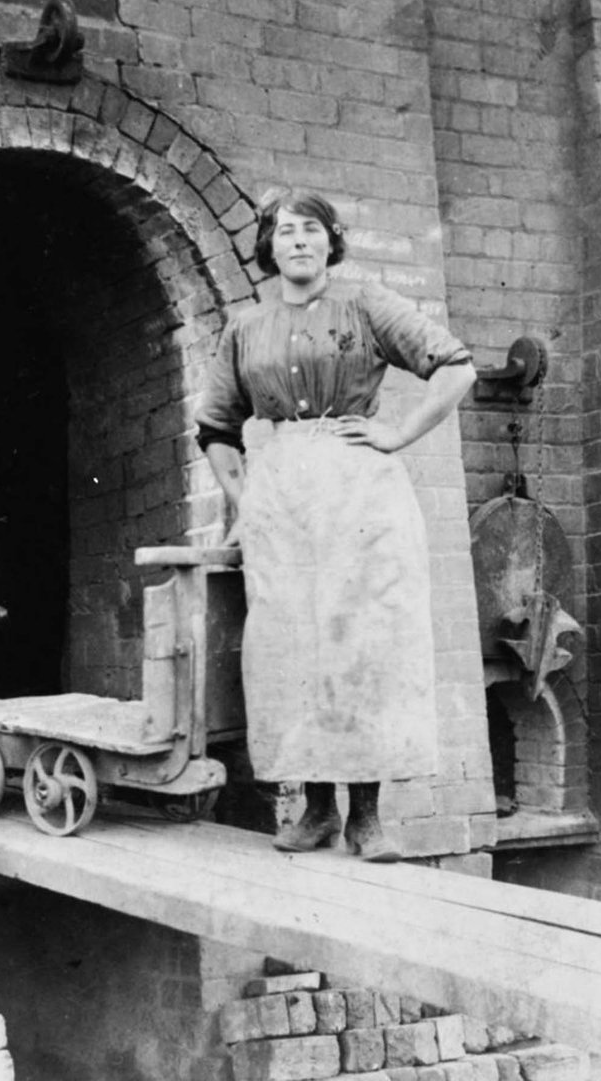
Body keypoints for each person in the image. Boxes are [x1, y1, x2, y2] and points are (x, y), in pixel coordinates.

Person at [195, 189, 476, 862]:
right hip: (282, 496)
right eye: (285, 232)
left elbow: (454, 368)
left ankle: (367, 817)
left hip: (359, 491)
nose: (297, 242)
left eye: (310, 231)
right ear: (268, 246)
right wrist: (244, 498)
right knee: (293, 644)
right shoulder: (244, 329)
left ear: (330, 241)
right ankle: (317, 811)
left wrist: (397, 432)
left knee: (365, 640)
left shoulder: (366, 303)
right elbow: (214, 428)